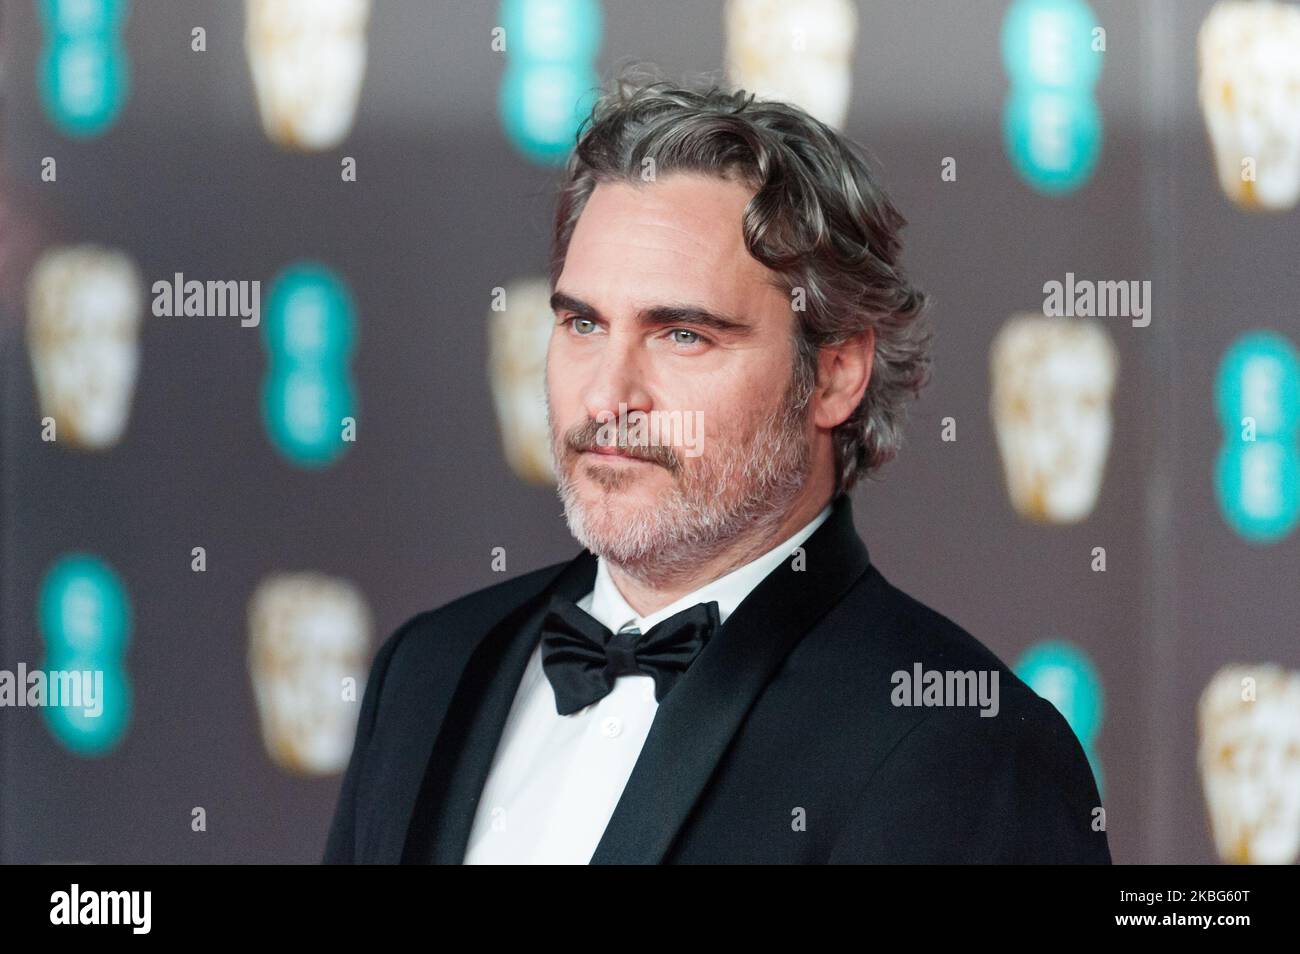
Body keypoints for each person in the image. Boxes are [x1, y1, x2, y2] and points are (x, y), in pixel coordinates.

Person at [323, 73, 1111, 864]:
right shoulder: (426, 671)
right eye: (583, 323)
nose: (607, 395)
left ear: (835, 373)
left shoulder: (971, 753)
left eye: (682, 335)